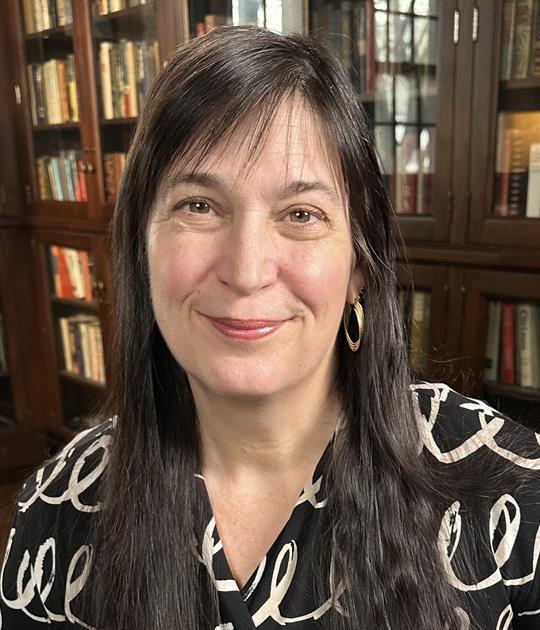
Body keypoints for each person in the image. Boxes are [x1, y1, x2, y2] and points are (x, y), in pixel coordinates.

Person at [1, 25, 540, 630]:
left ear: (359, 266)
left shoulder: (506, 490)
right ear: (140, 246)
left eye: (301, 214)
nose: (247, 270)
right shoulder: (59, 507)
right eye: (198, 206)